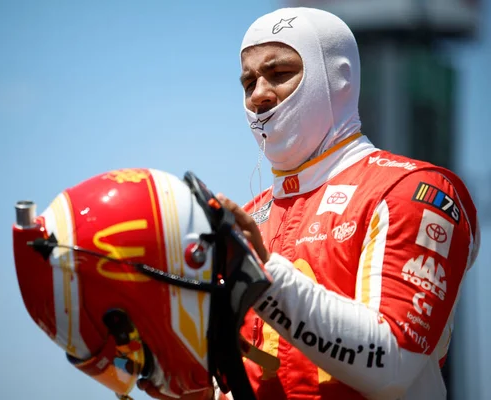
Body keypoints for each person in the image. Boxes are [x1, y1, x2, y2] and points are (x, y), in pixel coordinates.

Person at [140, 6, 480, 400]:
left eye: (280, 74)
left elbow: (392, 363)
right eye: (248, 82)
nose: (259, 94)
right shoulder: (249, 218)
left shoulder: (413, 189)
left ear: (337, 78)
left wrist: (259, 273)